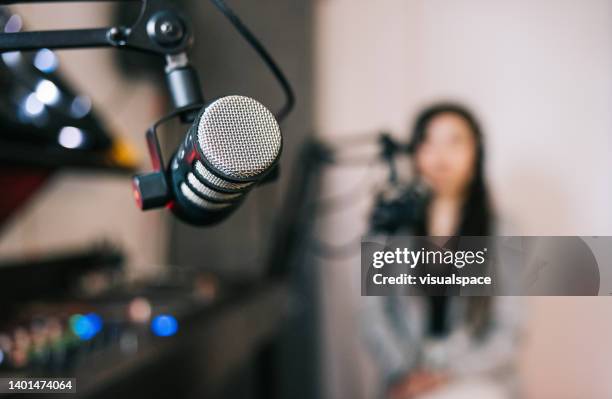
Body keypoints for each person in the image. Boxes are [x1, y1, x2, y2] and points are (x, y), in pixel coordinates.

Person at [362, 103, 522, 399]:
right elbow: (374, 317)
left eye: (454, 141)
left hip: (477, 379)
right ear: (415, 151)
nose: (441, 156)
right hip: (407, 379)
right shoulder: (390, 226)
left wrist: (448, 374)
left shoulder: (503, 231)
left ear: (476, 151)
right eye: (429, 142)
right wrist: (404, 372)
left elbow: (509, 329)